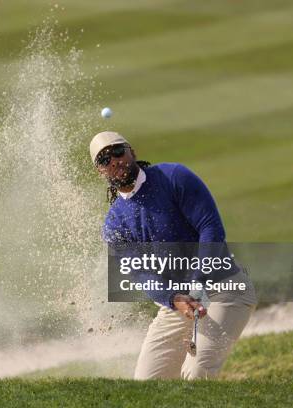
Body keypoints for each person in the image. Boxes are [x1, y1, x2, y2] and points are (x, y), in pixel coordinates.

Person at [90, 131, 257, 380]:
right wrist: (172, 298)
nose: (114, 161)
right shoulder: (114, 224)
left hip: (224, 290)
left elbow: (210, 227)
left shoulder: (173, 177)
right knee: (147, 385)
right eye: (104, 160)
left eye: (117, 151)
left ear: (132, 152)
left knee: (195, 374)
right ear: (100, 171)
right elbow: (140, 273)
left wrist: (197, 283)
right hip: (177, 307)